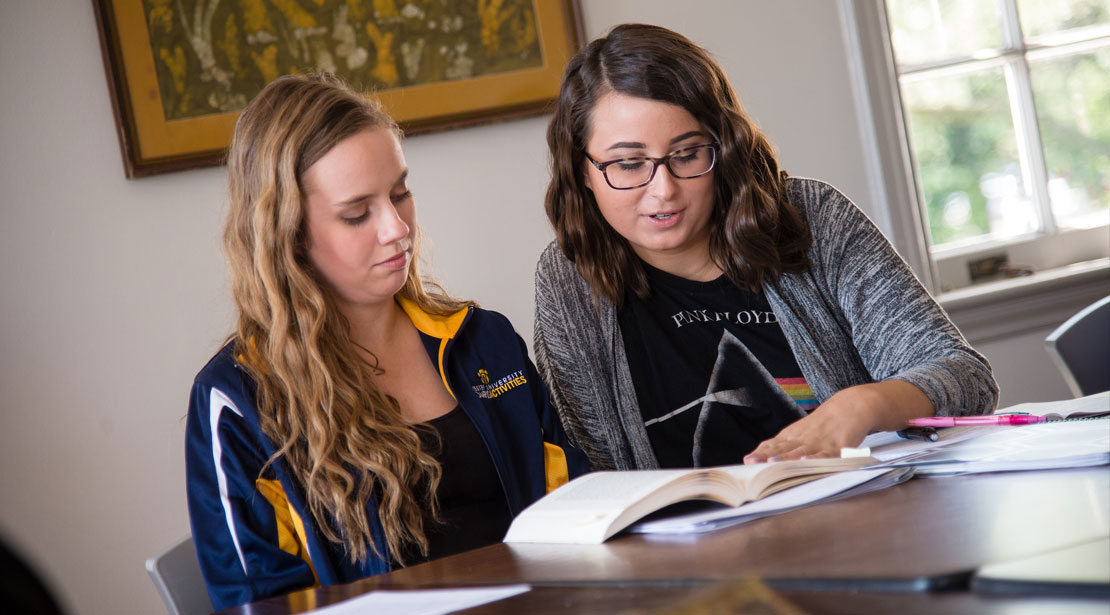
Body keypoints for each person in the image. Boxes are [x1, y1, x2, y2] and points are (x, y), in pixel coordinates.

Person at [185, 73, 588, 610]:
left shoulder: (482, 340)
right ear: (287, 235)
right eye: (357, 213)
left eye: (401, 193)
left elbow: (575, 512)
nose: (398, 228)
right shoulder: (237, 402)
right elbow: (258, 602)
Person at [534, 23, 998, 471]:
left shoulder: (813, 216)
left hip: (861, 523)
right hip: (678, 546)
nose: (664, 191)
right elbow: (586, 463)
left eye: (688, 154)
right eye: (629, 164)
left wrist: (866, 404)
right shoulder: (567, 279)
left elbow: (964, 376)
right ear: (582, 171)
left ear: (724, 148)